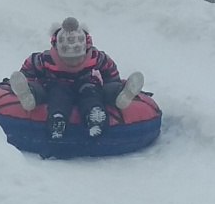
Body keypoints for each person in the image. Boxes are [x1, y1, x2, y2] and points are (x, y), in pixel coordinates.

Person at [8, 18, 145, 142]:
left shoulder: (95, 56)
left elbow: (109, 70)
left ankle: (101, 111)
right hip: (57, 85)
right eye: (68, 60)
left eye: (78, 59)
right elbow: (29, 67)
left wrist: (112, 85)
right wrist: (29, 81)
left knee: (92, 94)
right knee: (58, 96)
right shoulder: (46, 58)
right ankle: (47, 111)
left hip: (86, 85)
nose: (73, 64)